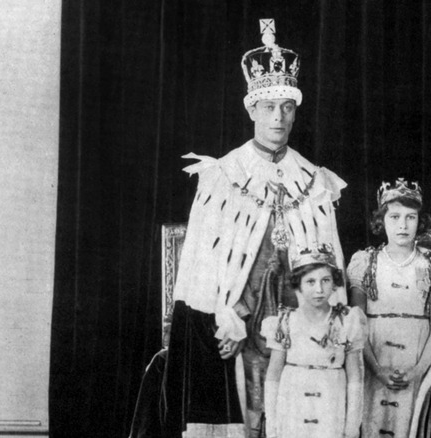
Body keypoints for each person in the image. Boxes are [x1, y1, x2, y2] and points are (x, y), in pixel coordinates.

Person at [163, 19, 347, 438]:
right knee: (248, 417)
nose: (278, 117)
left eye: (287, 107)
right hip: (239, 322)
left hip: (300, 321)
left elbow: (329, 260)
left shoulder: (315, 181)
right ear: (251, 109)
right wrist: (224, 324)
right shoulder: (223, 176)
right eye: (269, 107)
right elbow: (200, 268)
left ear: (296, 110)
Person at [347, 179, 431, 438]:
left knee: (411, 424)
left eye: (411, 217)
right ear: (381, 220)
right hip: (374, 358)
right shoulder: (365, 262)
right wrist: (377, 369)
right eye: (395, 217)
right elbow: (356, 323)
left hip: (416, 358)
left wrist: (419, 370)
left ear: (419, 221)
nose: (403, 225)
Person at [261, 245, 366, 438]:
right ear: (298, 285)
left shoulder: (346, 320)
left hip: (330, 408)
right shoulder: (285, 322)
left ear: (334, 283)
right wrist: (272, 426)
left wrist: (352, 426)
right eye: (310, 282)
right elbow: (273, 375)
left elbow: (354, 377)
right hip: (293, 408)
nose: (319, 289)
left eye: (325, 280)